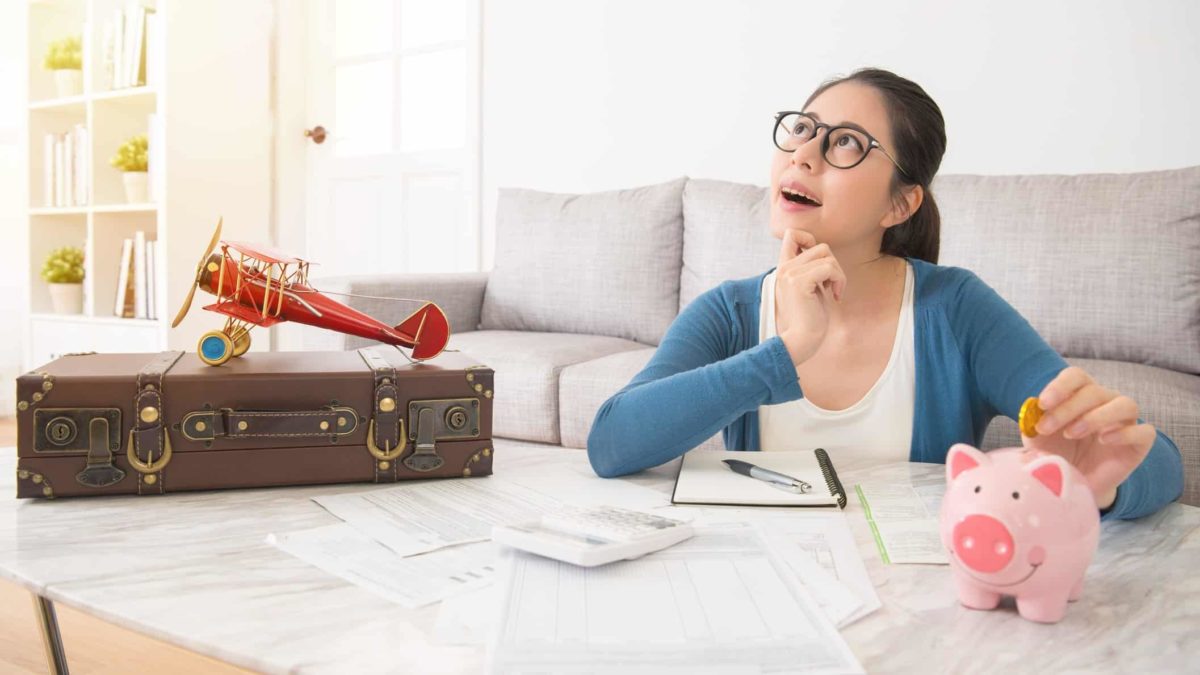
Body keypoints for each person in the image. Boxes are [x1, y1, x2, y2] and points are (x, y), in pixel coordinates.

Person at [586, 67, 1183, 521]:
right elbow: (613, 444)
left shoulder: (957, 310)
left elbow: (1158, 464)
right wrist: (787, 351)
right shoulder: (730, 311)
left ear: (900, 204)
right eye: (801, 130)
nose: (803, 153)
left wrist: (1097, 481)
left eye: (845, 142)